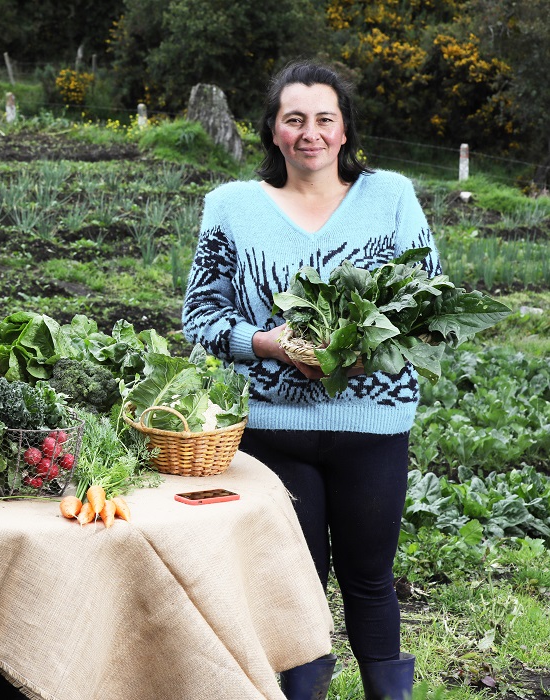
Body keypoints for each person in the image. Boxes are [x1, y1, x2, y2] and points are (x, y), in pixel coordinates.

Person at [182, 60, 437, 700]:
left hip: (372, 428)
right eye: (294, 119)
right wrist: (266, 343)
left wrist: (366, 348)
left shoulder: (392, 196)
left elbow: (427, 303)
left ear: (345, 129)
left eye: (325, 119)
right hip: (275, 433)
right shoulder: (232, 207)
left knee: (371, 578)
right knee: (297, 586)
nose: (310, 133)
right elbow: (200, 316)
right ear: (272, 130)